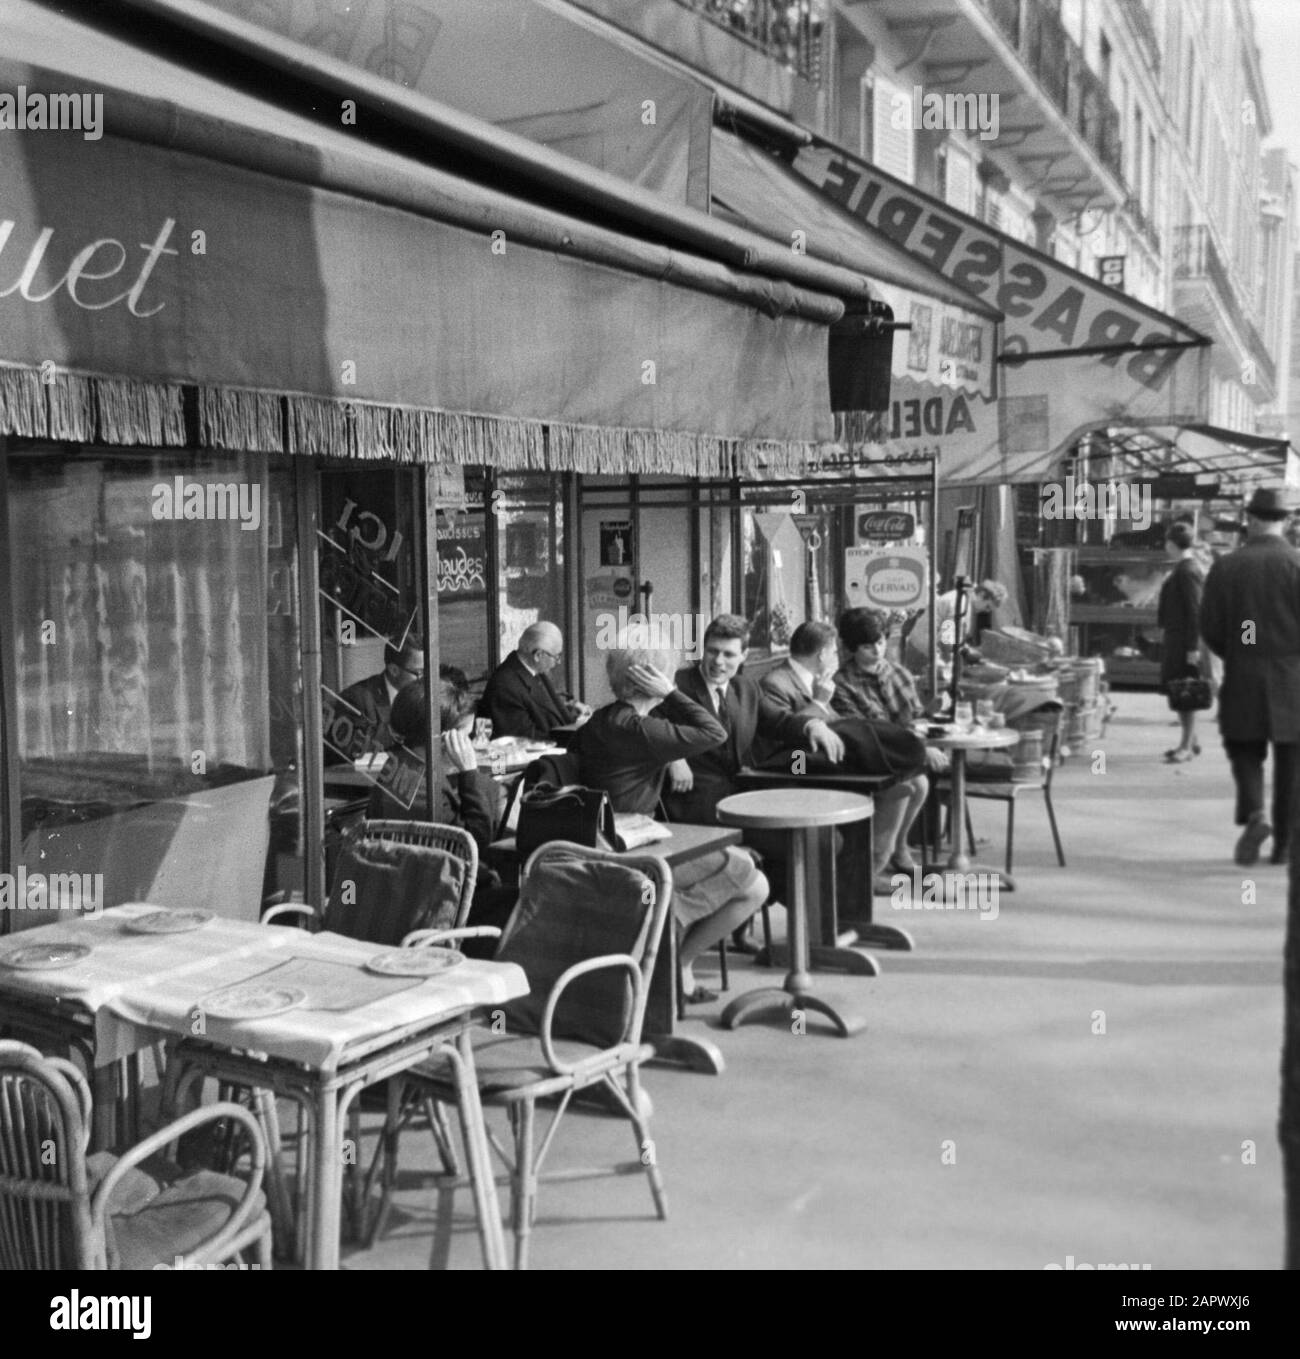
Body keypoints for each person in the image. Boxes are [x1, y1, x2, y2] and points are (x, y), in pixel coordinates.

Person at [573, 647, 768, 1003]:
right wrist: (671, 694)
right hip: (630, 856)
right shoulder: (639, 729)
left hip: (618, 841)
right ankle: (675, 947)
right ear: (653, 679)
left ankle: (675, 948)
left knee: (749, 878)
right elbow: (714, 732)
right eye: (668, 674)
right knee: (752, 881)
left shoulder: (607, 719)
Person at [762, 619, 920, 889]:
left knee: (908, 782)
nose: (836, 657)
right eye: (833, 652)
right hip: (795, 769)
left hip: (820, 761)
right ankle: (863, 874)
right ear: (822, 654)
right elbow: (781, 737)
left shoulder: (817, 679)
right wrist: (820, 702)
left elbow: (836, 725)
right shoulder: (776, 682)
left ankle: (873, 864)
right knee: (898, 787)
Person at [368, 671, 515, 947]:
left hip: (403, 895)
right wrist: (469, 772)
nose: (470, 742)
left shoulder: (398, 766)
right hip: (436, 908)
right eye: (466, 735)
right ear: (444, 737)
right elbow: (475, 844)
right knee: (519, 898)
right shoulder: (426, 789)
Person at [660, 614, 844, 826]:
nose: (718, 661)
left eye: (728, 654)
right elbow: (644, 721)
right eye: (712, 651)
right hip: (694, 805)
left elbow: (778, 721)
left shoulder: (746, 687)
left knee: (814, 831)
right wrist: (671, 757)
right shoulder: (676, 684)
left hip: (742, 795)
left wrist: (812, 724)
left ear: (743, 655)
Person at [1200, 487, 1300, 866]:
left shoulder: (1228, 566)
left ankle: (1256, 813)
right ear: (1286, 521)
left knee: (1245, 751)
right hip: (1292, 678)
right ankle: (1286, 845)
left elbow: (1212, 625)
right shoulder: (1297, 564)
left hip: (1245, 673)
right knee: (1291, 764)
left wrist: (1245, 644)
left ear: (1251, 520)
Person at [833, 608, 947, 891]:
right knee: (915, 783)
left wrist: (931, 711)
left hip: (901, 752)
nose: (877, 650)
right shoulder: (842, 683)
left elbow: (915, 717)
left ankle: (899, 848)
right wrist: (920, 748)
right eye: (867, 646)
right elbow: (869, 731)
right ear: (850, 648)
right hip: (867, 755)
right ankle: (877, 862)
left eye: (881, 642)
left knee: (920, 783)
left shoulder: (898, 672)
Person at [1157, 522, 1212, 763]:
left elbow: (1196, 612)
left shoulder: (1187, 571)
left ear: (1171, 544)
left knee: (1186, 693)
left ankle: (1185, 747)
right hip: (1178, 639)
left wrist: (1192, 648)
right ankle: (1192, 742)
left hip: (1184, 642)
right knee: (1180, 690)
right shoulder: (1184, 568)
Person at [479, 621, 591, 740]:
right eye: (556, 656)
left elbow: (546, 712)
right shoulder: (504, 686)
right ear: (538, 655)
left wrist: (575, 714)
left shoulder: (533, 670)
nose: (559, 662)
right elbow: (524, 739)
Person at [328, 634, 424, 760]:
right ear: (394, 670)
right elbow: (352, 747)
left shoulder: (424, 695)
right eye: (419, 673)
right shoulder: (356, 698)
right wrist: (401, 732)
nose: (423, 679)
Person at [904, 579, 1009, 675]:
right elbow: (947, 640)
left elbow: (954, 635)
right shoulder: (960, 603)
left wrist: (965, 649)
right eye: (987, 607)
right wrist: (964, 654)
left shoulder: (966, 601)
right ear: (981, 595)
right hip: (921, 651)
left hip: (928, 648)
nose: (985, 611)